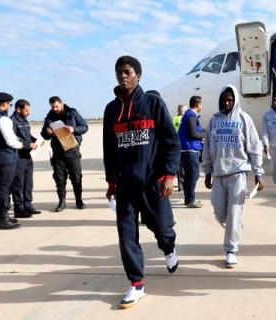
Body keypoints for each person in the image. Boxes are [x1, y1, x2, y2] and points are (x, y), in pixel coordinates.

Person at [103, 55, 180, 309]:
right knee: (126, 236)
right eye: (119, 72)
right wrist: (111, 182)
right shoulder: (111, 110)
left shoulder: (153, 104)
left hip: (152, 183)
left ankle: (168, 248)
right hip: (125, 185)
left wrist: (169, 174)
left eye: (127, 72)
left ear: (138, 75)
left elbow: (171, 142)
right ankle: (136, 284)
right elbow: (109, 149)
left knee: (163, 228)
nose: (122, 76)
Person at [203, 85, 264, 268]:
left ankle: (231, 250)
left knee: (235, 212)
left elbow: (254, 146)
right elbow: (207, 147)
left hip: (238, 173)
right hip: (218, 174)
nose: (226, 102)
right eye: (224, 99)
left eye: (230, 99)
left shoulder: (244, 119)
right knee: (220, 212)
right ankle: (234, 227)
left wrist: (258, 172)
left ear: (235, 100)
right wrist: (207, 171)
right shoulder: (213, 121)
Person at [41, 96, 88, 212]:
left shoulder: (72, 113)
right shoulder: (49, 117)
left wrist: (73, 129)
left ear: (62, 104)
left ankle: (79, 201)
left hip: (72, 150)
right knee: (59, 178)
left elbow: (85, 127)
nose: (55, 109)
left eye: (57, 106)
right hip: (57, 153)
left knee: (76, 177)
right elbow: (44, 135)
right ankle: (62, 202)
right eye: (53, 107)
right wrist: (47, 132)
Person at [0, 92, 25, 229]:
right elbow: (11, 141)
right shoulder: (3, 119)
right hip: (6, 158)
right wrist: (22, 145)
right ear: (4, 104)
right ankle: (3, 218)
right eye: (9, 104)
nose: (9, 107)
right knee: (4, 188)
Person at [10, 99, 41, 218]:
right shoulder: (12, 122)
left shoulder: (25, 120)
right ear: (18, 109)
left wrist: (36, 140)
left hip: (28, 156)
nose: (28, 112)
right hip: (19, 156)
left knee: (28, 182)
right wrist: (28, 145)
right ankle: (19, 208)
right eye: (26, 110)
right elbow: (14, 139)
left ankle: (28, 204)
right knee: (18, 183)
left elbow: (27, 137)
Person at [179, 96, 203, 208]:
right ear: (198, 105)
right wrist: (203, 136)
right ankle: (190, 199)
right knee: (193, 175)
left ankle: (188, 198)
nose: (201, 106)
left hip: (187, 149)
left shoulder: (189, 115)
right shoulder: (191, 116)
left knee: (189, 175)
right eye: (201, 104)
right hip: (190, 149)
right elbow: (193, 133)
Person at [172, 104, 188, 192]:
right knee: (186, 167)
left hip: (176, 145)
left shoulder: (174, 119)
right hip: (184, 145)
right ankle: (185, 185)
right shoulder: (185, 119)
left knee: (179, 167)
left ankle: (180, 186)